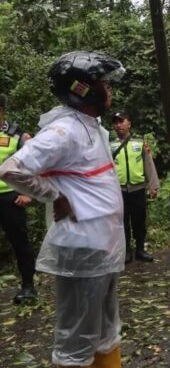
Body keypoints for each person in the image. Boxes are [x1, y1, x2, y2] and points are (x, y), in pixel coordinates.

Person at [0, 51, 126, 368]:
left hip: (103, 247)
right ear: (82, 88)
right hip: (82, 248)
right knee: (76, 341)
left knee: (106, 330)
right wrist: (53, 195)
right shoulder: (64, 130)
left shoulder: (90, 126)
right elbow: (11, 169)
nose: (108, 90)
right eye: (103, 83)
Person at [0, 93, 37, 304]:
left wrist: (27, 193)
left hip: (11, 198)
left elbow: (32, 165)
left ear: (2, 110)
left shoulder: (18, 136)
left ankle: (28, 286)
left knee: (19, 243)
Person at [111, 111, 160, 263]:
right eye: (116, 122)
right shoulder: (109, 146)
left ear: (129, 123)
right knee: (122, 222)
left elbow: (148, 164)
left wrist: (153, 186)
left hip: (138, 189)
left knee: (139, 221)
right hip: (119, 190)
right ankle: (126, 252)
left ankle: (140, 250)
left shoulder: (139, 143)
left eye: (121, 121)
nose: (119, 125)